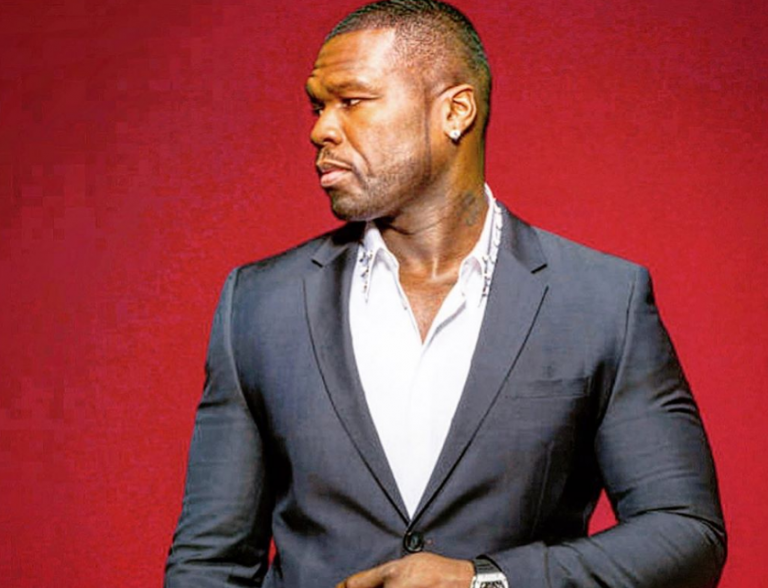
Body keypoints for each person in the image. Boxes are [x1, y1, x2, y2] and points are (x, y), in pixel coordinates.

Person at [164, 1, 726, 587]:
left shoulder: (600, 301)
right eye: (318, 106)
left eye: (351, 100)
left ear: (455, 112)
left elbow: (686, 532)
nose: (321, 129)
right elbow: (209, 564)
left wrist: (484, 581)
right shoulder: (259, 304)